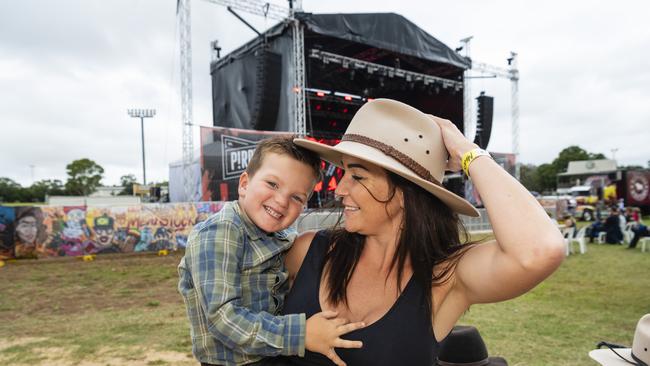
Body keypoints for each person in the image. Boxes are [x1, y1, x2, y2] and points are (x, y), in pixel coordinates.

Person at [265, 99, 565, 366]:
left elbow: (539, 251)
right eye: (343, 173)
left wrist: (468, 153)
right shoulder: (308, 252)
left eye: (357, 176)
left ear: (406, 194)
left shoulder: (444, 277)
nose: (341, 189)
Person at [178, 136, 365, 366]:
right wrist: (302, 334)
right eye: (272, 184)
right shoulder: (221, 231)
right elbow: (223, 319)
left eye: (297, 197)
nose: (281, 201)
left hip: (273, 355)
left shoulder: (282, 235)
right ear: (245, 184)